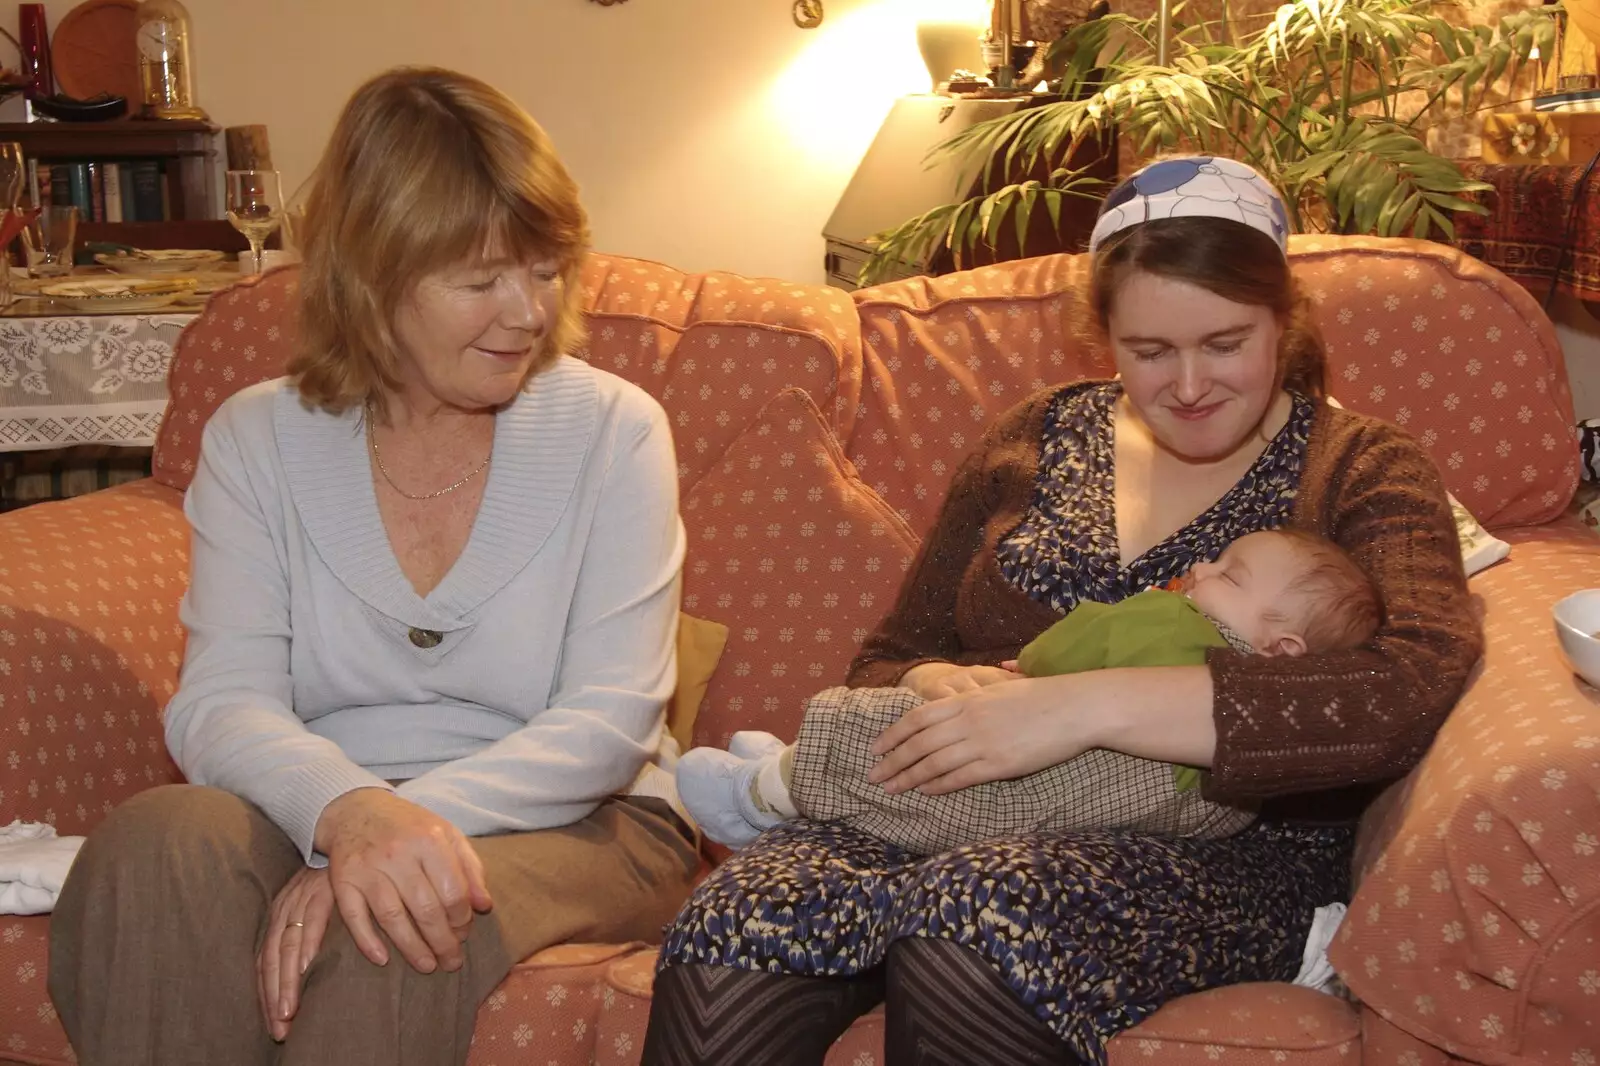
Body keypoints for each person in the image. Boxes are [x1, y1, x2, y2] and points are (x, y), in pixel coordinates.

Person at [642, 156, 1481, 1066]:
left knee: (978, 908)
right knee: (741, 915)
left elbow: (1411, 684)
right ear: (1104, 336)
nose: (1191, 383)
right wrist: (941, 682)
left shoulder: (1360, 465)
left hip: (1218, 847)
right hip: (937, 807)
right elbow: (890, 655)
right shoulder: (1037, 434)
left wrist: (1076, 707)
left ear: (1285, 321)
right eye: (1151, 352)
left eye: (1227, 343)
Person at [49, 67, 700, 1066]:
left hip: (588, 821)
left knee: (397, 918)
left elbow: (608, 724)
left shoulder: (614, 431)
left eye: (547, 268)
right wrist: (347, 810)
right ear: (371, 275)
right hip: (327, 797)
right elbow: (221, 699)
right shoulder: (257, 437)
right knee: (158, 843)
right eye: (481, 280)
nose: (527, 312)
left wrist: (397, 829)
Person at [677, 528, 1383, 854]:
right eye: (1150, 347)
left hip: (1075, 791)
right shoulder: (1257, 705)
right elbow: (894, 651)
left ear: (1282, 650)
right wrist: (928, 670)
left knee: (908, 743)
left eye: (1228, 573)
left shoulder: (1174, 618)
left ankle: (767, 790)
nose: (1199, 568)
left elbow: (1080, 640)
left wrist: (1033, 673)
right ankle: (792, 777)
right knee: (935, 750)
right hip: (1159, 819)